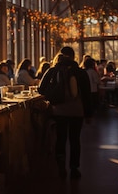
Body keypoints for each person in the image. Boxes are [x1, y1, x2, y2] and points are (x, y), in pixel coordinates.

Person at [38, 46, 91, 179]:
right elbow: (87, 95)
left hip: (59, 111)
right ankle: (74, 168)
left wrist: (53, 95)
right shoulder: (80, 72)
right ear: (74, 57)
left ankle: (61, 167)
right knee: (75, 140)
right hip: (77, 112)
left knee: (60, 139)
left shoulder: (53, 70)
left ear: (60, 55)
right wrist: (88, 113)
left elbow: (41, 89)